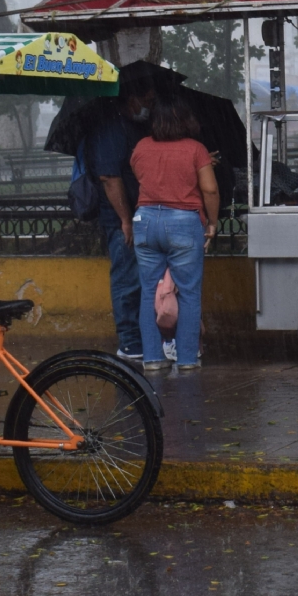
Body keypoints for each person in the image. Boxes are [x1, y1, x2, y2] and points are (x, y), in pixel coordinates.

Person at [130, 94, 219, 371]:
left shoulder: (141, 146)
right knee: (189, 293)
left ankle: (153, 360)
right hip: (183, 222)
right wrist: (212, 223)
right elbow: (210, 189)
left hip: (144, 220)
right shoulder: (195, 149)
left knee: (148, 292)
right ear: (185, 120)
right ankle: (187, 359)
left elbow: (143, 177)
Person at [87, 69, 158, 361]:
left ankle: (143, 336)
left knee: (144, 280)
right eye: (146, 100)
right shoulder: (111, 129)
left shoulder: (135, 126)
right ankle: (129, 342)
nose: (149, 107)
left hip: (141, 215)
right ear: (131, 99)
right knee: (127, 280)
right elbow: (109, 178)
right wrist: (125, 220)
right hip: (121, 220)